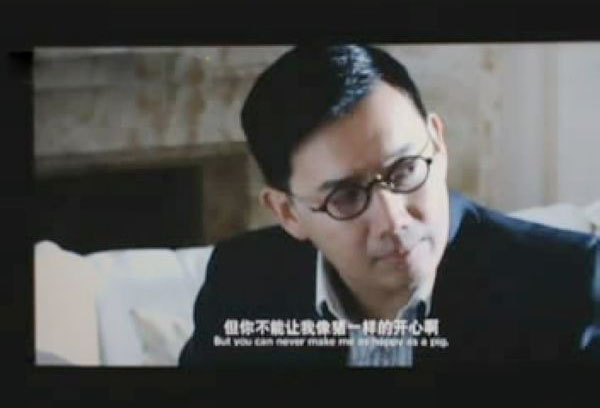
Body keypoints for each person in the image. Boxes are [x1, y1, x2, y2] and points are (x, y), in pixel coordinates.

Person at [179, 44, 599, 367]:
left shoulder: (568, 284)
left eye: (404, 170)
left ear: (438, 142)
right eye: (346, 196)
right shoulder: (241, 281)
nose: (394, 221)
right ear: (288, 213)